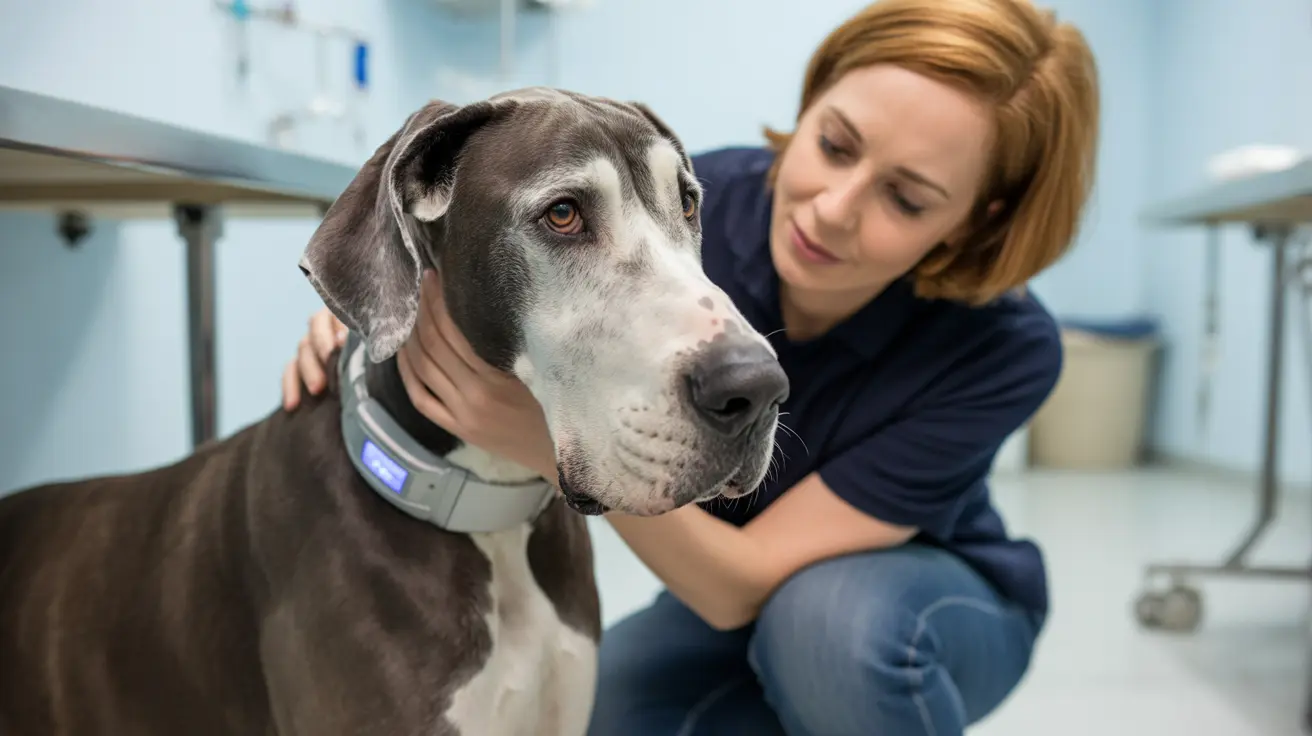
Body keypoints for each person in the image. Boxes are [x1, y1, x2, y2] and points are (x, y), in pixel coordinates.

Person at [282, 0, 1100, 732]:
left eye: (907, 199)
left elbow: (741, 586)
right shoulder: (674, 201)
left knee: (826, 632)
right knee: (617, 714)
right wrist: (370, 301)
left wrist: (540, 443)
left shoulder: (1005, 346)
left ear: (973, 221)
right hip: (723, 593)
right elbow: (493, 246)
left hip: (910, 606)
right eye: (834, 143)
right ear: (810, 101)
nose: (832, 209)